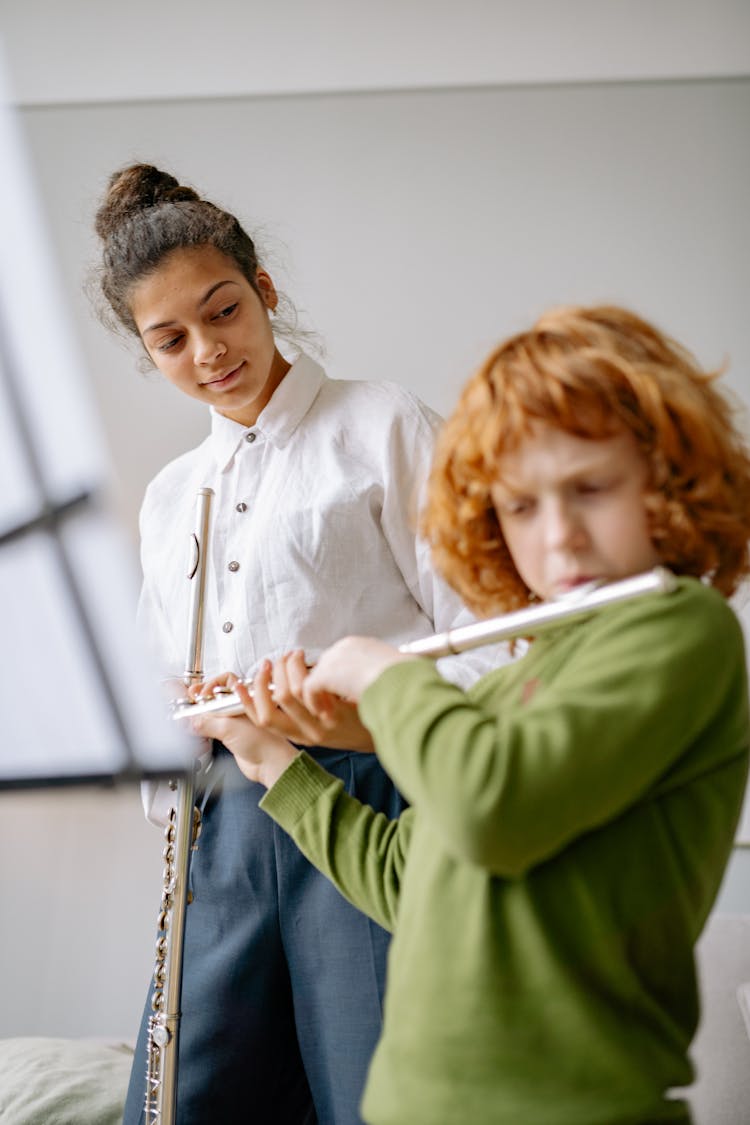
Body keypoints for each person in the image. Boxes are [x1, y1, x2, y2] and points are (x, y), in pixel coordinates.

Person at [193, 305, 750, 1125]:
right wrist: (274, 759)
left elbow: (497, 807)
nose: (559, 538)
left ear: (667, 478)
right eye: (520, 508)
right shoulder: (523, 673)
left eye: (590, 489)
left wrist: (385, 678)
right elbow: (408, 881)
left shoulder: (677, 631)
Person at [92, 163, 504, 1125]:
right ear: (148, 352)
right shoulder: (167, 496)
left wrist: (370, 717)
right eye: (171, 338)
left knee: (378, 1099)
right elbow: (156, 689)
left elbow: (483, 641)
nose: (208, 350)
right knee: (185, 1103)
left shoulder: (384, 425)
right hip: (221, 827)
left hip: (366, 810)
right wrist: (168, 724)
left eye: (223, 310)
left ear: (263, 291)